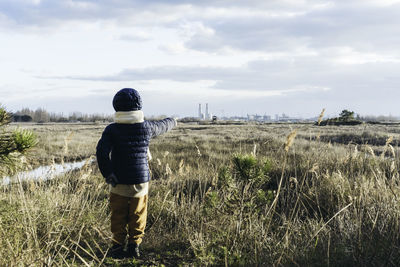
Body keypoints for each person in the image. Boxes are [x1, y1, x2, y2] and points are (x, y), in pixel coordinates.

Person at [96, 88, 177, 259]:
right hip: (140, 181)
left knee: (118, 214)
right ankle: (134, 246)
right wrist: (173, 120)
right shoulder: (147, 127)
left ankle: (117, 247)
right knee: (138, 213)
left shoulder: (111, 130)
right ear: (138, 106)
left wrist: (108, 173)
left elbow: (101, 152)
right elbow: (163, 126)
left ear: (116, 107)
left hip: (117, 180)